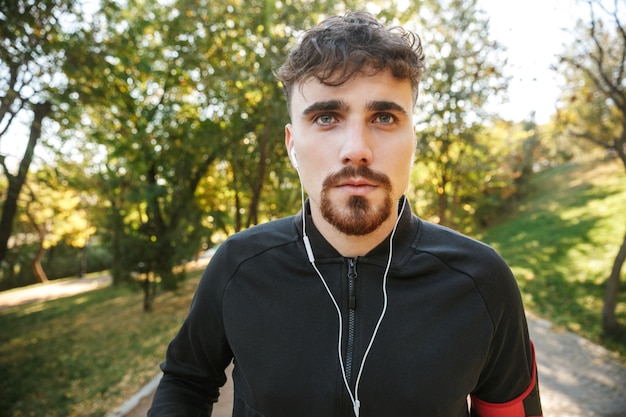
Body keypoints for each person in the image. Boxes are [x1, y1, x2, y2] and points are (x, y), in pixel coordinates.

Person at [148, 11, 542, 417]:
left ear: (413, 140)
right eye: (326, 117)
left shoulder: (481, 280)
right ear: (291, 146)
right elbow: (185, 381)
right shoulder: (237, 266)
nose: (356, 148)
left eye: (384, 117)